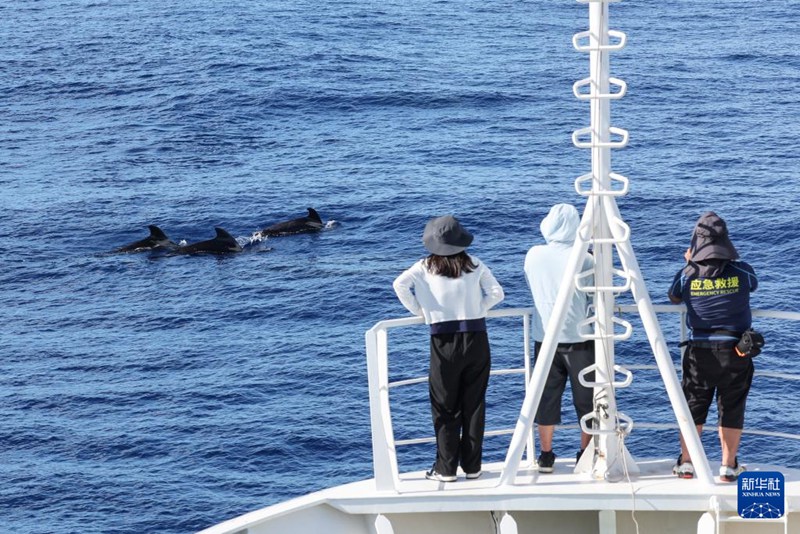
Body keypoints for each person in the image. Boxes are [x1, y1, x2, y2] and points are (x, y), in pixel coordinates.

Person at [393, 215, 504, 482]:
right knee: (474, 405)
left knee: (445, 406)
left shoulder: (424, 267)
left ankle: (446, 468)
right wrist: (478, 310)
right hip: (477, 337)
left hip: (443, 340)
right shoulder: (474, 264)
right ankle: (473, 466)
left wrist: (422, 312)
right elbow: (498, 294)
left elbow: (399, 285)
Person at [668, 211, 758, 482]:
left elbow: (673, 297)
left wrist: (689, 263)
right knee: (731, 407)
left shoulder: (688, 274)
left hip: (700, 351)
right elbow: (753, 285)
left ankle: (686, 463)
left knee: (693, 405)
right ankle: (728, 466)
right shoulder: (742, 271)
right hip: (736, 350)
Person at [523, 203, 595, 473]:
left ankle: (546, 455)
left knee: (546, 397)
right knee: (586, 399)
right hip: (581, 338)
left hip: (545, 337)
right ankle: (585, 452)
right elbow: (595, 293)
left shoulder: (533, 255)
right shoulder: (585, 259)